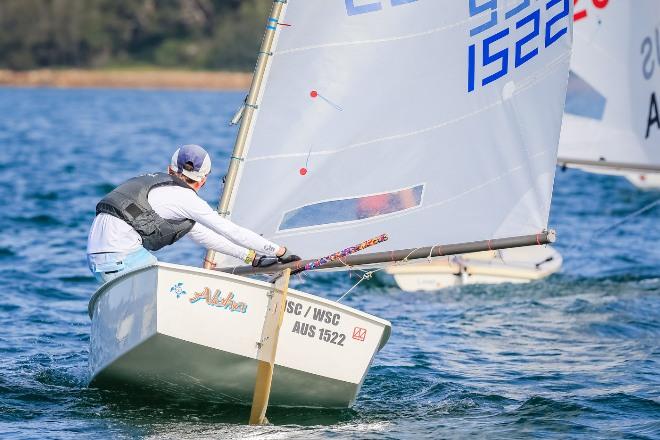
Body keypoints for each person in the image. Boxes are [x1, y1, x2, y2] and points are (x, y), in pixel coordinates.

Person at [87, 144, 299, 283]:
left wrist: (252, 257)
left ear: (170, 170)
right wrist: (279, 252)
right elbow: (231, 231)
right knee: (180, 288)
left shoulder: (154, 186)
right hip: (122, 258)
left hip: (97, 261)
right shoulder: (187, 199)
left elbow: (200, 234)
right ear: (203, 180)